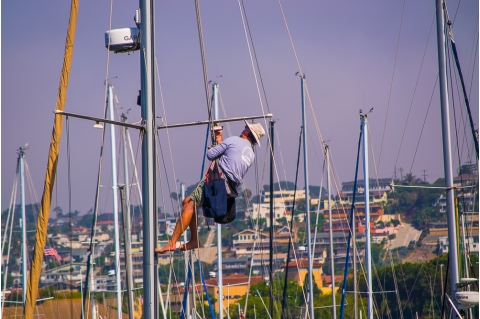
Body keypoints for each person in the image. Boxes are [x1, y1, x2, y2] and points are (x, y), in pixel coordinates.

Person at [155, 121, 265, 254]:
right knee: (187, 201)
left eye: (246, 128)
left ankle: (172, 243)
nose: (244, 128)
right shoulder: (251, 155)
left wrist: (217, 144)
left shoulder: (234, 140)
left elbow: (211, 155)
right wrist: (219, 140)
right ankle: (194, 240)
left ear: (248, 132)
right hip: (228, 188)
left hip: (216, 181)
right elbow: (230, 159)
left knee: (188, 205)